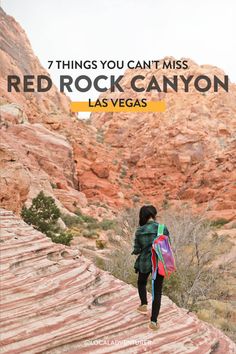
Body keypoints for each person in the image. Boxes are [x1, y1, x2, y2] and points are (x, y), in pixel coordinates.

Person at [131, 205, 170, 331]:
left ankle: (143, 305)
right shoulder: (162, 228)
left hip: (144, 262)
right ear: (153, 215)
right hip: (158, 263)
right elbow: (168, 245)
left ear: (142, 216)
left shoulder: (140, 230)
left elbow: (137, 250)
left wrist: (139, 249)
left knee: (141, 283)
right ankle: (153, 322)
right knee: (157, 292)